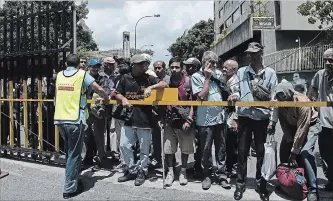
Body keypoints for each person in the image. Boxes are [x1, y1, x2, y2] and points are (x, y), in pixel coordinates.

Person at [54, 54, 110, 199]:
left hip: (60, 119)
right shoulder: (81, 74)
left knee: (69, 151)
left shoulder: (60, 75)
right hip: (74, 119)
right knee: (74, 154)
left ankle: (72, 178)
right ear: (79, 63)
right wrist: (106, 98)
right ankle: (70, 188)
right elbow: (98, 88)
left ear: (67, 63)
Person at [229, 42, 278, 201]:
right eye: (249, 53)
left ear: (261, 53)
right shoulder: (242, 71)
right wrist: (234, 100)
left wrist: (273, 120)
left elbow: (274, 98)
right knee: (242, 153)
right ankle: (240, 184)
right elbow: (236, 90)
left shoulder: (270, 73)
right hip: (244, 117)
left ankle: (261, 184)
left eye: (254, 53)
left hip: (262, 118)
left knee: (261, 153)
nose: (251, 55)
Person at [115, 54, 168, 186]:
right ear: (134, 65)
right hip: (128, 118)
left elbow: (164, 84)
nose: (143, 66)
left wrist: (151, 87)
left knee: (144, 149)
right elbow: (116, 92)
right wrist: (123, 99)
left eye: (144, 64)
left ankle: (142, 171)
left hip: (145, 119)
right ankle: (131, 169)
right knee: (124, 145)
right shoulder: (125, 78)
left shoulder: (148, 78)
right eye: (140, 64)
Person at [274, 81, 321, 201]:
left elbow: (302, 129)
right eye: (278, 96)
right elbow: (283, 123)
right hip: (292, 126)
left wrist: (294, 152)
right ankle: (286, 183)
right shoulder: (279, 102)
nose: (279, 99)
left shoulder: (302, 102)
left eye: (282, 96)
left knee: (305, 153)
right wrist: (289, 140)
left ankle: (313, 189)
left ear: (289, 94)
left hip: (310, 126)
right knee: (284, 150)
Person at [191, 51, 228, 190]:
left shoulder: (218, 74)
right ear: (204, 61)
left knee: (221, 148)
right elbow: (201, 96)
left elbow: (225, 91)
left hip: (220, 118)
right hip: (205, 120)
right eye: (210, 62)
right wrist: (207, 78)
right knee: (206, 149)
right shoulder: (196, 76)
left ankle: (222, 174)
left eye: (215, 62)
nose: (213, 65)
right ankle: (207, 175)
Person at [162, 57, 195, 187]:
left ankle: (183, 172)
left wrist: (190, 120)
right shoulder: (166, 82)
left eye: (177, 67)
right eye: (172, 67)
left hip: (184, 121)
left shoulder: (188, 82)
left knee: (185, 149)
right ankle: (170, 172)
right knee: (169, 149)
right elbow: (163, 103)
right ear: (169, 68)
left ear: (181, 68)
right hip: (169, 121)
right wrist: (161, 119)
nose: (174, 69)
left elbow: (193, 103)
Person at [308, 48, 333, 192]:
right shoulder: (320, 75)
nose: (328, 63)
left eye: (331, 60)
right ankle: (331, 181)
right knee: (326, 155)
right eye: (325, 60)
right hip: (324, 124)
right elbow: (312, 92)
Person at [86, 58, 111, 169]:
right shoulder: (84, 78)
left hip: (98, 111)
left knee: (99, 136)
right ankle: (87, 157)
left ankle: (100, 160)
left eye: (97, 66)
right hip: (86, 110)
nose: (95, 68)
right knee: (85, 136)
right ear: (89, 67)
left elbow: (106, 91)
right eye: (93, 66)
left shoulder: (103, 79)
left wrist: (100, 98)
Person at [223, 59, 239, 177]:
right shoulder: (227, 80)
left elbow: (237, 103)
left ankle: (233, 168)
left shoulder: (236, 82)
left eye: (226, 68)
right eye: (223, 67)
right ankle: (229, 168)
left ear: (234, 70)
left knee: (234, 145)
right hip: (227, 116)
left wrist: (234, 120)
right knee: (228, 145)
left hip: (233, 118)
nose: (223, 69)